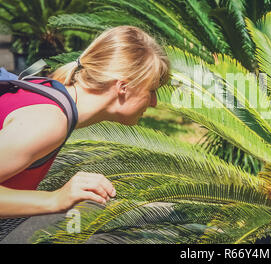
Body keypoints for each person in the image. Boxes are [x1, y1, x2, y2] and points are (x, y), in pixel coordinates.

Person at [0, 26, 170, 242]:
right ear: (123, 87)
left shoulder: (50, 93)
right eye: (151, 90)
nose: (154, 102)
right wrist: (55, 200)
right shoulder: (50, 121)